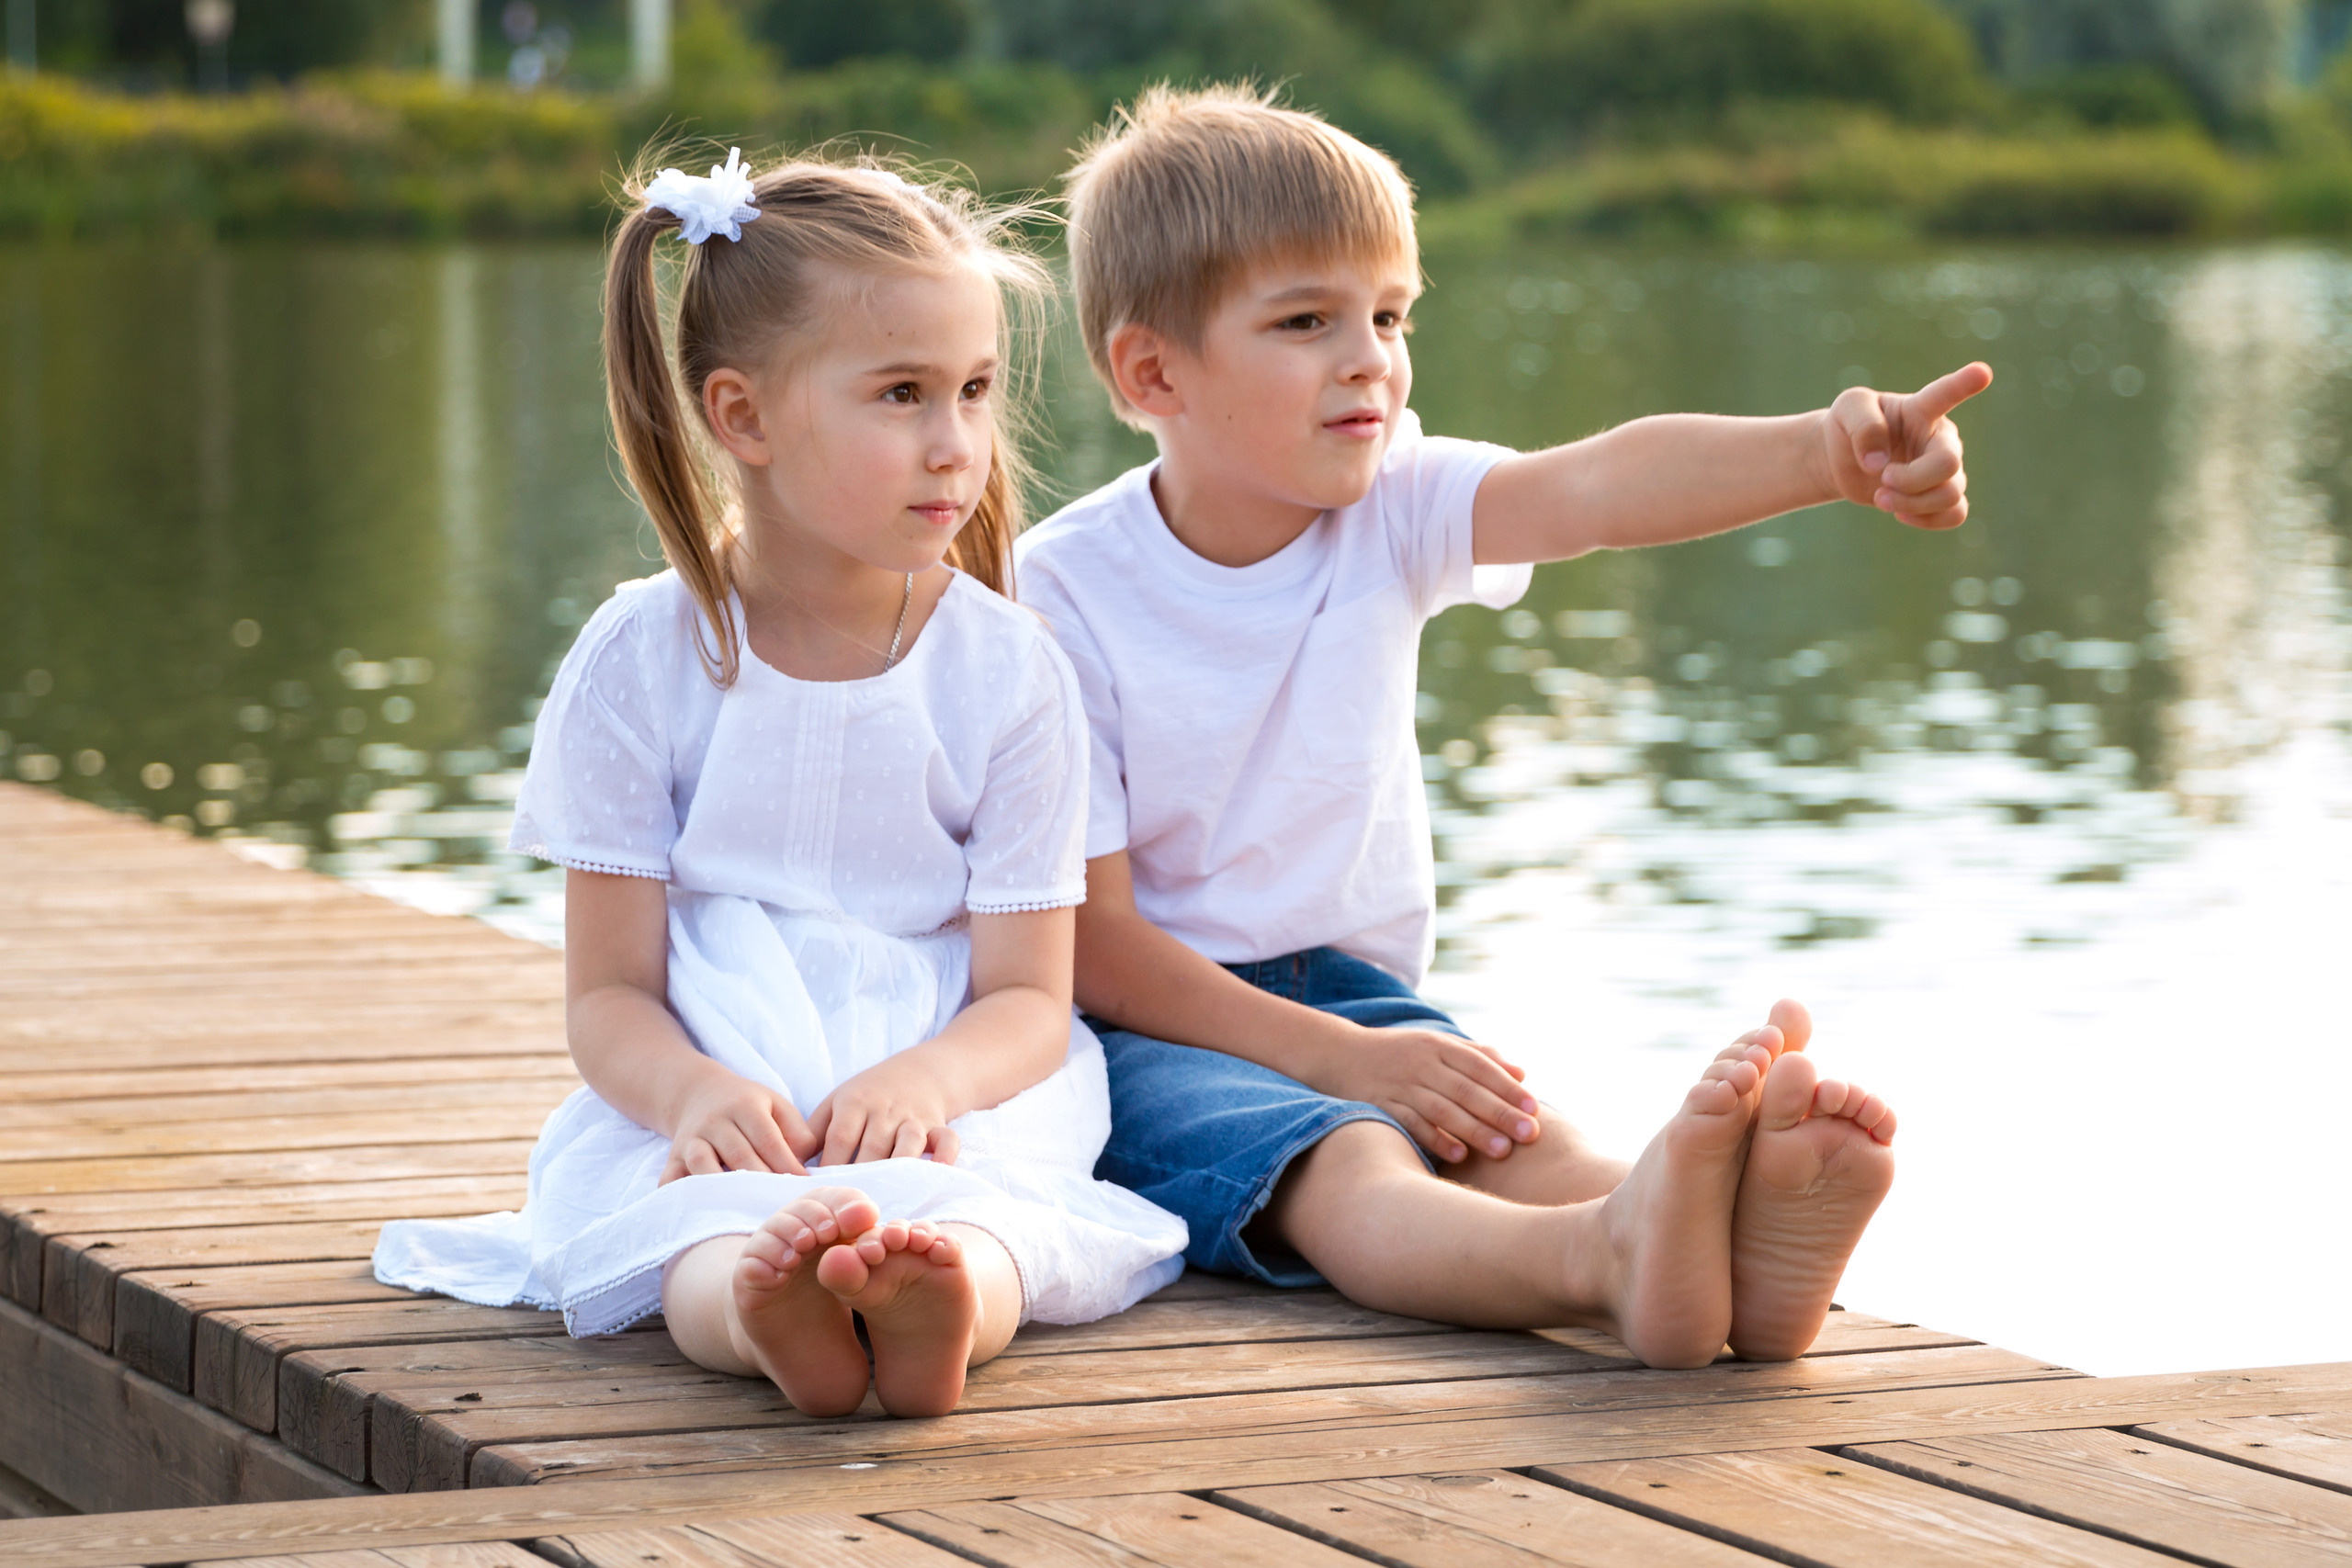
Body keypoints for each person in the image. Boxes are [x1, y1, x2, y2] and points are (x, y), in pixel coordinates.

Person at [1015, 86, 1956, 1369]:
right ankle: (1601, 1265)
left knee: (1529, 1140)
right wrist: (1339, 1063)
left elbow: (1600, 488)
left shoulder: (1391, 501)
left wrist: (1823, 455)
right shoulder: (1058, 595)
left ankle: (1730, 1252)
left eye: (1390, 317)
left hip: (1359, 996)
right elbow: (1096, 945)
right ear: (1151, 371)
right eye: (1306, 322)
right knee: (1349, 1169)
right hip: (1154, 1032)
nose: (1370, 361)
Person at [374, 147, 1186, 1418]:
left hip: (945, 1066)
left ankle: (946, 1306)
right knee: (687, 1226)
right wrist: (690, 1092)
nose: (954, 443)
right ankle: (762, 1320)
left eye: (974, 392)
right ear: (742, 416)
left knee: (1001, 1211)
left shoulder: (1011, 670)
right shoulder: (643, 660)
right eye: (902, 395)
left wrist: (928, 1083)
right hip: (720, 1061)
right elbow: (607, 996)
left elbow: (1031, 998)